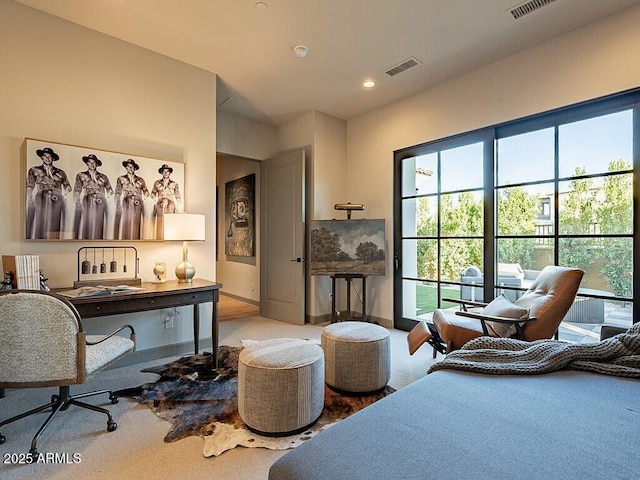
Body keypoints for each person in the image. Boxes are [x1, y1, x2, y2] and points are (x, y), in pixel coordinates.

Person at [26, 147, 72, 239]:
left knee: (55, 222)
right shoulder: (34, 170)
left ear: (53, 158)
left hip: (57, 197)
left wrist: (66, 193)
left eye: (50, 157)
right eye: (45, 156)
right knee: (40, 221)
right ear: (42, 158)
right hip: (41, 196)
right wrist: (29, 197)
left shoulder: (60, 172)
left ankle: (54, 242)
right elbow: (30, 186)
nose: (47, 159)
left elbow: (68, 187)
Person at [73, 153, 113, 239]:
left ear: (97, 164)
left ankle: (99, 240)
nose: (92, 164)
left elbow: (110, 190)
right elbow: (77, 189)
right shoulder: (81, 175)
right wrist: (77, 200)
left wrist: (108, 198)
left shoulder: (103, 177)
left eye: (94, 163)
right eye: (90, 162)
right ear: (87, 164)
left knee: (99, 222)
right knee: (87, 220)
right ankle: (86, 239)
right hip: (88, 198)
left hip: (101, 200)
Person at [114, 158, 149, 239]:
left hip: (138, 201)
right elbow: (118, 192)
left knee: (137, 223)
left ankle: (136, 239)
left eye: (132, 167)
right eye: (128, 167)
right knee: (126, 221)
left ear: (135, 168)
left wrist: (144, 199)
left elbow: (146, 192)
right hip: (127, 200)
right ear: (126, 168)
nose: (130, 168)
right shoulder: (121, 178)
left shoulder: (140, 180)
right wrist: (117, 202)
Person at [151, 163, 182, 238]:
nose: (165, 173)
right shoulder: (157, 183)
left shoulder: (174, 184)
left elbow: (178, 196)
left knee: (170, 223)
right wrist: (155, 199)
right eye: (164, 171)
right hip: (160, 204)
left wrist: (178, 207)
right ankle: (159, 237)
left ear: (169, 173)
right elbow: (152, 193)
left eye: (167, 171)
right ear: (161, 172)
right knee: (160, 222)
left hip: (170, 204)